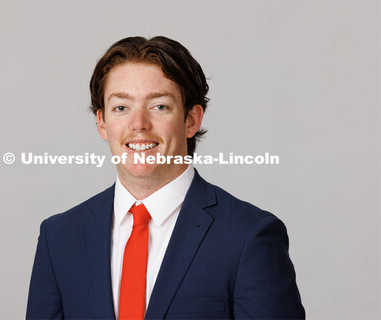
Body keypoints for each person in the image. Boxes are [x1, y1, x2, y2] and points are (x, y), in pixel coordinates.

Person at [26, 36, 305, 319]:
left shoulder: (249, 236)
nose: (138, 125)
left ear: (191, 120)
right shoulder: (60, 238)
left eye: (159, 106)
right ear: (102, 122)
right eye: (121, 107)